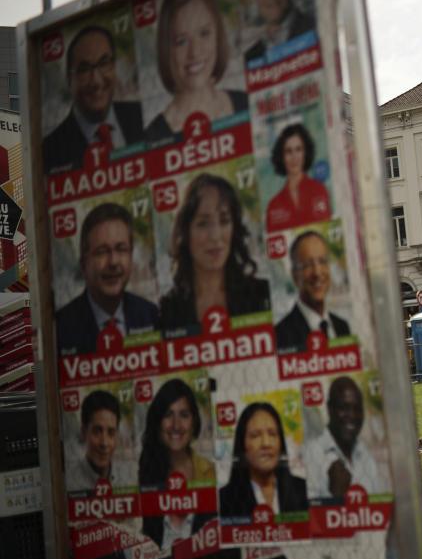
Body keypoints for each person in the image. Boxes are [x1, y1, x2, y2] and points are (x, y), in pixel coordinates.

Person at [159, 174, 270, 330]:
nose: (215, 236)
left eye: (224, 221)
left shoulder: (262, 294)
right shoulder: (168, 309)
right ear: (185, 232)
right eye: (203, 223)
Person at [146, 0, 248, 142]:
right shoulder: (154, 137)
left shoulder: (245, 103)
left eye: (204, 34)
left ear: (217, 36)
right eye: (181, 41)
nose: (194, 52)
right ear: (167, 49)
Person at [55, 203, 159, 355]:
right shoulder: (60, 327)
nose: (113, 262)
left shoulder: (150, 315)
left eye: (121, 249)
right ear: (84, 265)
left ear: (131, 256)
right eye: (102, 252)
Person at [43, 25, 145, 175]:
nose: (96, 81)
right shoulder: (50, 150)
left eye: (104, 63)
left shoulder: (141, 116)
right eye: (84, 70)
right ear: (70, 80)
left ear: (114, 66)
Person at [138, 379, 215, 552]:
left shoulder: (210, 472)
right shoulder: (146, 473)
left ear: (194, 421)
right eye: (168, 414)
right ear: (158, 422)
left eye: (184, 415)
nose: (176, 425)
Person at [218, 402, 307, 518]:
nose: (266, 443)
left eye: (272, 434)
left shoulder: (302, 490)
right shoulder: (224, 500)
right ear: (242, 445)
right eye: (255, 436)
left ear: (281, 443)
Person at [305, 376, 386, 499]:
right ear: (329, 408)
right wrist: (337, 496)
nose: (352, 416)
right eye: (344, 408)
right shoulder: (312, 456)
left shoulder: (366, 456)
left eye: (357, 409)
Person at [274, 231, 350, 353]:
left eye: (322, 261)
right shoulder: (281, 336)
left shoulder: (343, 327)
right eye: (308, 265)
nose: (317, 272)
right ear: (294, 276)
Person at [265, 123, 331, 232]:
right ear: (282, 157)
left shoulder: (319, 190)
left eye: (298, 149)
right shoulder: (274, 206)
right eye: (288, 151)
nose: (294, 157)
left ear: (305, 153)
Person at [70, 390, 122, 491]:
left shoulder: (128, 480)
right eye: (97, 431)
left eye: (111, 433)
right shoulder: (70, 484)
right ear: (84, 433)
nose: (104, 443)